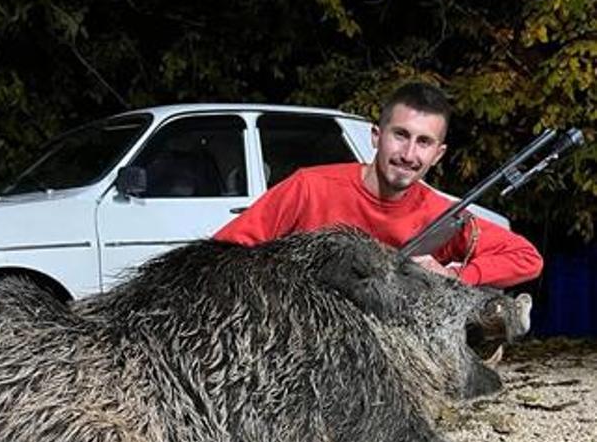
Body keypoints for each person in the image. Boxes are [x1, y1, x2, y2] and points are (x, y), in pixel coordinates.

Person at [213, 82, 543, 288]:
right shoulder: (310, 187)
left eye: (424, 142)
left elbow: (527, 258)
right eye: (400, 135)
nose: (409, 154)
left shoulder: (440, 214)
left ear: (438, 154)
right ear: (376, 136)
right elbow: (224, 251)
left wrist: (456, 276)